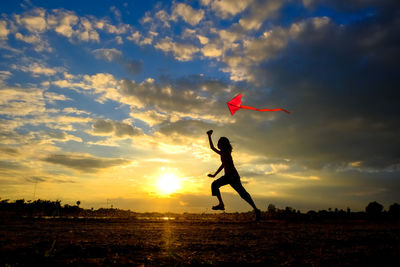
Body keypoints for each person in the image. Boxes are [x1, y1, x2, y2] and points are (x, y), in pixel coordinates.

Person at [207, 130, 261, 221]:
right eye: (218, 143)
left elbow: (212, 148)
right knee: (216, 185)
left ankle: (256, 210)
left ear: (223, 144)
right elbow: (223, 164)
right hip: (229, 176)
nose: (218, 145)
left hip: (232, 177)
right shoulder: (224, 153)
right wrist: (214, 174)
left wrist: (209, 136)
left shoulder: (225, 153)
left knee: (243, 194)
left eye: (219, 143)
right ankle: (222, 204)